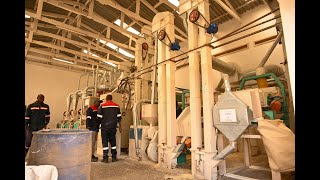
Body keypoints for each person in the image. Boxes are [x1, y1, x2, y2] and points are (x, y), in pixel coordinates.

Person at [97, 94, 122, 163]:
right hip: (113, 127)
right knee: (113, 142)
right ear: (111, 99)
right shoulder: (117, 106)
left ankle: (105, 158)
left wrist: (99, 124)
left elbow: (99, 117)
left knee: (105, 143)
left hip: (104, 127)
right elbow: (119, 117)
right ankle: (114, 157)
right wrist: (120, 126)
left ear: (106, 99)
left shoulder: (102, 106)